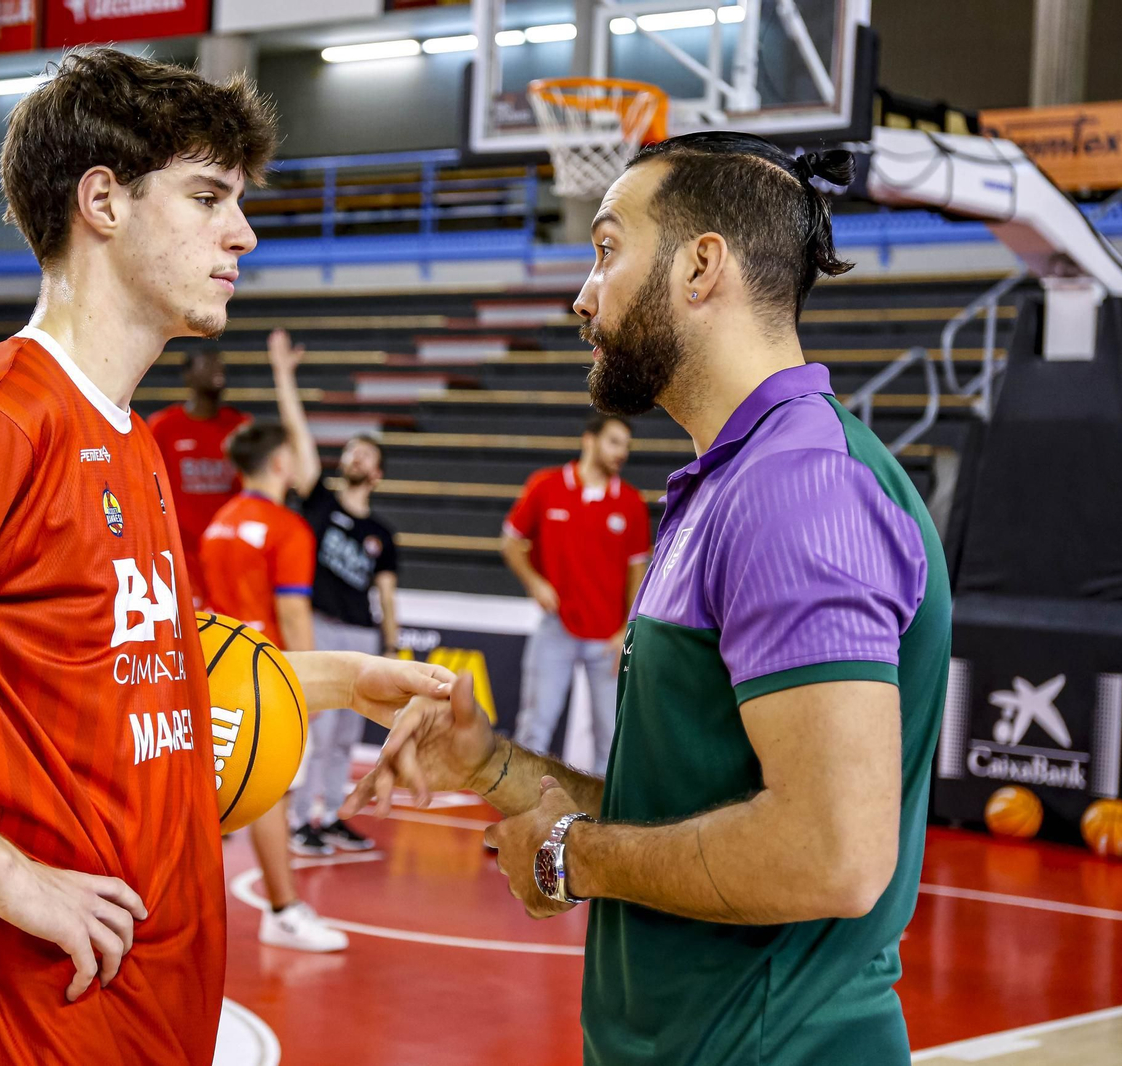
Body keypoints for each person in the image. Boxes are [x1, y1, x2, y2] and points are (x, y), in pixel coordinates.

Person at [0, 48, 450, 1066]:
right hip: (22, 1009)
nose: (243, 233)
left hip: (144, 994)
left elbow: (123, 674)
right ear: (102, 201)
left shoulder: (131, 440)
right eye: (208, 198)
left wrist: (336, 681)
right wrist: (4, 872)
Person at [345, 133, 951, 1066]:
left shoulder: (800, 488)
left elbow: (831, 853)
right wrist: (491, 764)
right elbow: (682, 804)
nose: (582, 295)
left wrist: (568, 856)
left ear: (702, 266)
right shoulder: (728, 484)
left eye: (605, 249)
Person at [195, 420, 349, 951]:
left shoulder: (219, 522)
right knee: (269, 795)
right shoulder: (288, 528)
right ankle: (283, 911)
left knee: (213, 799)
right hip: (269, 680)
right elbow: (292, 612)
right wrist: (311, 686)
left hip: (216, 671)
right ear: (280, 462)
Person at [263, 328, 398, 855]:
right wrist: (283, 374)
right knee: (315, 730)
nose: (356, 456)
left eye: (366, 453)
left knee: (345, 736)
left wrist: (391, 643)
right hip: (320, 627)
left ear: (377, 473)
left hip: (362, 634)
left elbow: (386, 593)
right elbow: (298, 434)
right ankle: (302, 822)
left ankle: (336, 816)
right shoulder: (318, 500)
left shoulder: (382, 533)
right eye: (352, 450)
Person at [502, 411, 650, 774]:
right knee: (534, 726)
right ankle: (521, 804)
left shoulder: (631, 502)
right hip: (557, 626)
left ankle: (600, 810)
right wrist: (535, 582)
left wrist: (627, 630)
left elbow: (638, 572)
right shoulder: (545, 485)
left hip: (609, 639)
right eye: (614, 442)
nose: (622, 452)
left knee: (610, 738)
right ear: (589, 440)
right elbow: (511, 542)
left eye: (626, 446)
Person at [146, 347, 249, 595]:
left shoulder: (241, 427)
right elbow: (149, 489)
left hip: (230, 550)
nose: (217, 369)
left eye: (219, 363)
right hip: (183, 552)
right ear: (188, 375)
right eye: (208, 364)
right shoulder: (164, 426)